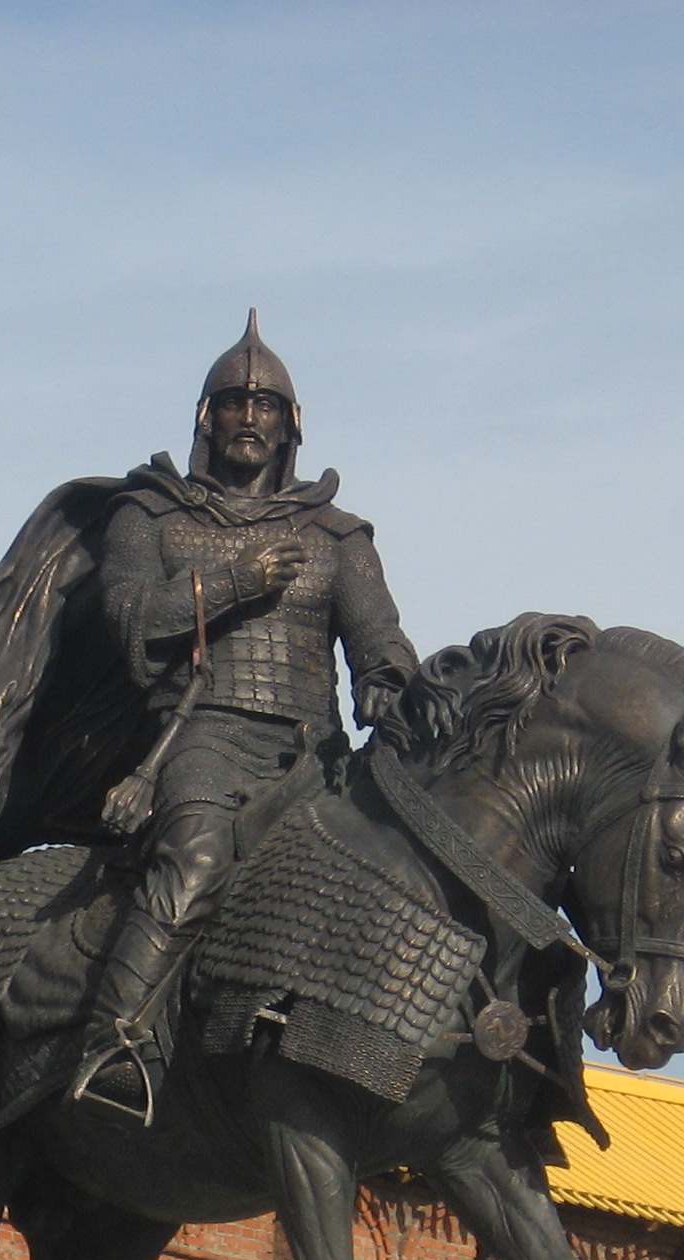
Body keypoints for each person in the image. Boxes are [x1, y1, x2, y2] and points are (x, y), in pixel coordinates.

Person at [70, 313, 416, 1120]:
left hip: (314, 752)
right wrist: (232, 585)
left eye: (266, 405)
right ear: (206, 418)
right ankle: (112, 1043)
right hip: (203, 736)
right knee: (193, 861)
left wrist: (385, 681)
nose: (250, 417)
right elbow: (125, 618)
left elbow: (379, 635)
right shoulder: (152, 516)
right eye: (233, 403)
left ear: (291, 426)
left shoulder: (335, 536)